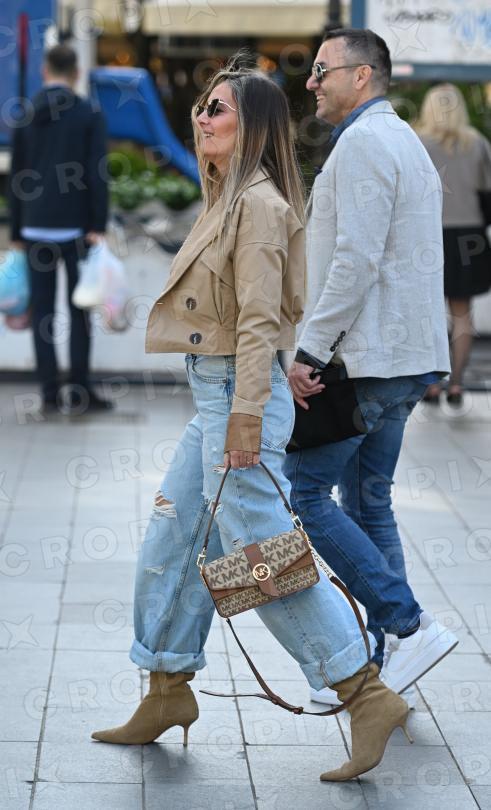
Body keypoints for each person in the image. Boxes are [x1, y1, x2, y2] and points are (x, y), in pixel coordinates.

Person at [91, 62, 411, 783]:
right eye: (202, 107)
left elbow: (262, 320)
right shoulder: (226, 198)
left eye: (218, 110)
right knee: (173, 536)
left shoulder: (259, 206)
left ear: (254, 128)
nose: (201, 118)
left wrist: (242, 419)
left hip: (238, 396)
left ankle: (365, 693)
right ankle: (166, 686)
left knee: (264, 560)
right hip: (217, 394)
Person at [284, 28, 458, 707]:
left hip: (369, 356)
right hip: (406, 355)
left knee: (306, 494)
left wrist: (310, 347)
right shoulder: (401, 139)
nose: (310, 82)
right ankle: (381, 665)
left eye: (321, 70)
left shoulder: (361, 144)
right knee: (367, 502)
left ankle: (406, 624)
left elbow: (353, 260)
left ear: (361, 76)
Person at [8, 44, 112, 414]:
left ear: (44, 71)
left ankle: (49, 393)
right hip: (77, 228)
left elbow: (17, 175)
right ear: (77, 73)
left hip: (35, 228)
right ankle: (80, 391)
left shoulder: (25, 113)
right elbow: (98, 172)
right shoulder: (88, 113)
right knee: (80, 310)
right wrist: (98, 223)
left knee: (43, 313)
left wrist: (16, 230)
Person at [415, 83, 491, 406]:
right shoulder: (478, 143)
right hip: (469, 237)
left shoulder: (416, 142)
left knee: (429, 315)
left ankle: (432, 384)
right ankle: (457, 383)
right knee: (462, 315)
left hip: (427, 236)